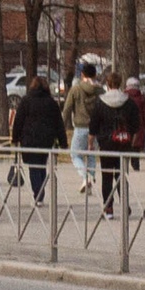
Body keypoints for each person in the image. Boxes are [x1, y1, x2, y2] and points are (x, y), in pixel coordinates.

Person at [91, 70, 144, 219]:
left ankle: (108, 207)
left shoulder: (100, 102)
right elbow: (135, 123)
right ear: (120, 83)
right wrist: (132, 139)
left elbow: (94, 124)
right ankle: (125, 204)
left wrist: (91, 141)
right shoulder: (128, 102)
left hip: (107, 143)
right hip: (124, 142)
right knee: (122, 175)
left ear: (107, 84)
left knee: (107, 176)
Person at [9, 72, 65, 205]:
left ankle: (38, 194)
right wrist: (63, 141)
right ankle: (40, 191)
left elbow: (19, 121)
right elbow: (59, 122)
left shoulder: (26, 100)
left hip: (29, 139)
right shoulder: (51, 102)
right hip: (46, 139)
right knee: (41, 165)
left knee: (33, 167)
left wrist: (15, 138)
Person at [64, 63, 102, 192]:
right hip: (95, 128)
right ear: (95, 74)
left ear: (82, 74)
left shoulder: (76, 89)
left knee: (75, 155)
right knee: (91, 155)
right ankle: (90, 179)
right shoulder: (100, 90)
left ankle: (85, 177)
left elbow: (67, 108)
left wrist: (64, 124)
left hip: (80, 126)